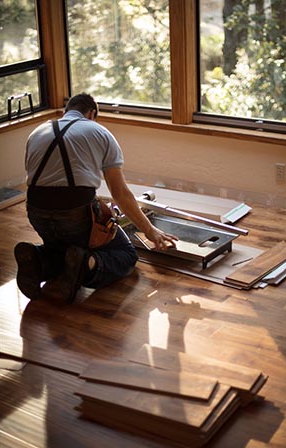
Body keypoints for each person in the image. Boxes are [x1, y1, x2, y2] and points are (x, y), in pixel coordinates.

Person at [14, 93, 177, 303]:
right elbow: (121, 194)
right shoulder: (99, 132)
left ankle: (38, 258)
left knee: (63, 249)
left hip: (36, 212)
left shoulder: (37, 132)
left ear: (66, 112)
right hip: (75, 216)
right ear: (92, 114)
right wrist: (150, 231)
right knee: (125, 254)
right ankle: (88, 263)